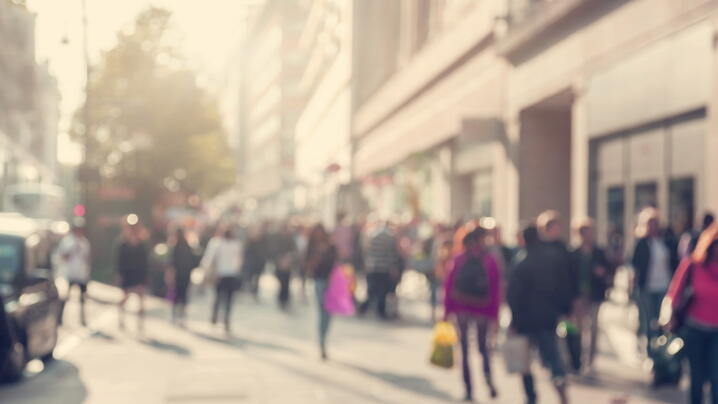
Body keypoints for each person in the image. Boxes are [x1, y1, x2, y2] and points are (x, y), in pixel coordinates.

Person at [508, 224, 570, 404]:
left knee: (525, 362)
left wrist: (514, 321)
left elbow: (514, 296)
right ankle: (561, 391)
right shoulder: (553, 258)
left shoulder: (521, 262)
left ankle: (531, 397)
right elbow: (563, 286)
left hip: (526, 321)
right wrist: (563, 310)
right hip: (548, 317)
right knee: (553, 359)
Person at [443, 226, 500, 401]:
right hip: (482, 308)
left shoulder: (458, 259)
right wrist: (495, 315)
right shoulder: (489, 260)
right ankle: (488, 379)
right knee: (483, 348)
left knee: (465, 349)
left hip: (461, 308)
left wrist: (446, 311)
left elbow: (449, 285)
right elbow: (496, 289)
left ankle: (468, 389)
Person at [666, 224, 718, 404]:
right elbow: (674, 293)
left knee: (716, 378)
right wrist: (668, 315)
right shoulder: (692, 265)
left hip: (717, 332)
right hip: (694, 328)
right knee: (696, 378)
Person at [631, 207, 678, 357]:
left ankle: (663, 352)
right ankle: (651, 353)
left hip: (664, 286)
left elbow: (674, 263)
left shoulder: (667, 241)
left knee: (663, 321)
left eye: (655, 223)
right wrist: (632, 289)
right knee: (650, 321)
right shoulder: (641, 244)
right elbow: (635, 267)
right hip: (647, 288)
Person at [569, 217, 615, 371]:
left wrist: (603, 273)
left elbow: (609, 270)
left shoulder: (599, 252)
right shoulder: (573, 253)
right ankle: (578, 357)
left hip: (594, 294)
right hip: (578, 295)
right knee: (579, 327)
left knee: (593, 326)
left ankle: (591, 359)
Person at [304, 224, 337, 360]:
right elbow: (307, 264)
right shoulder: (311, 248)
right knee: (322, 310)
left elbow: (335, 262)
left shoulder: (331, 247)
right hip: (318, 282)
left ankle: (323, 338)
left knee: (328, 314)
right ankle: (322, 342)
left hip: (331, 282)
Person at [201, 226, 243, 334]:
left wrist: (206, 272)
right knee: (229, 299)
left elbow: (209, 259)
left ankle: (215, 317)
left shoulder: (216, 243)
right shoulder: (236, 244)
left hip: (220, 274)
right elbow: (239, 261)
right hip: (231, 274)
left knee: (218, 297)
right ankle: (226, 320)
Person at [360, 221, 401, 319]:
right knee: (382, 290)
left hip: (372, 266)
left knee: (371, 289)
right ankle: (380, 311)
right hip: (384, 267)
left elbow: (366, 251)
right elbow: (391, 254)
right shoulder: (390, 237)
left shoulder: (371, 235)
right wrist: (393, 267)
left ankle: (363, 308)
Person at [116, 215, 150, 333]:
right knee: (125, 298)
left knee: (141, 300)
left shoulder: (141, 243)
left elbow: (145, 261)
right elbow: (119, 261)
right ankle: (121, 319)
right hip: (127, 275)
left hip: (138, 275)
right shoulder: (123, 244)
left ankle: (140, 325)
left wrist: (145, 276)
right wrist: (119, 275)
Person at [57, 218, 91, 326]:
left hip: (81, 274)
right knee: (65, 297)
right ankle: (59, 318)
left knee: (82, 298)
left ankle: (82, 319)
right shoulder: (68, 241)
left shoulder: (85, 242)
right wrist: (72, 250)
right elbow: (63, 256)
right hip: (70, 273)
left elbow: (88, 258)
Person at [167, 228, 198, 327]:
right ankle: (182, 317)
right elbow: (194, 261)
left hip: (178, 274)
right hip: (186, 275)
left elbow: (171, 262)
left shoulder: (175, 247)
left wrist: (170, 274)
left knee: (176, 295)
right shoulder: (188, 246)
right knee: (184, 296)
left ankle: (174, 316)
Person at [272, 223, 297, 309]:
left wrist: (289, 257)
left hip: (288, 265)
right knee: (282, 283)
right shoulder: (277, 238)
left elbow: (294, 250)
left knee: (286, 283)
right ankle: (282, 299)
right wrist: (279, 259)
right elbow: (273, 251)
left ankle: (285, 298)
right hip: (279, 265)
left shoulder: (290, 239)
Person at [243, 225, 267, 301]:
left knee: (257, 279)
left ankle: (254, 292)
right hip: (251, 263)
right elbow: (247, 252)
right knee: (249, 278)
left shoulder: (263, 241)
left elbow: (265, 251)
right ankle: (249, 290)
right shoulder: (250, 241)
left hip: (259, 263)